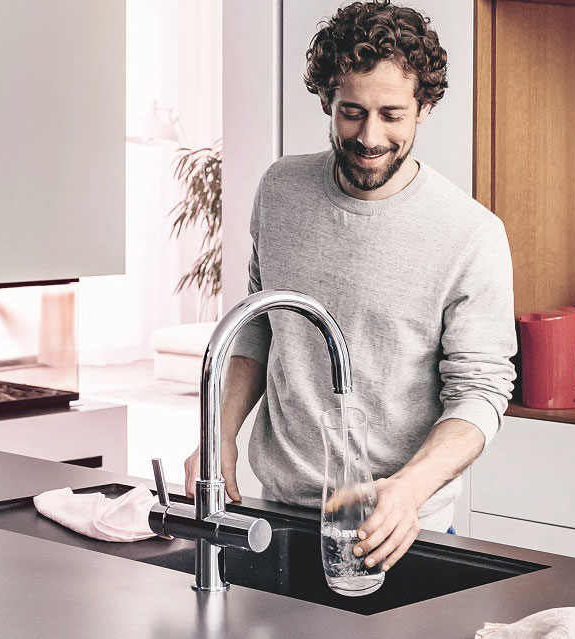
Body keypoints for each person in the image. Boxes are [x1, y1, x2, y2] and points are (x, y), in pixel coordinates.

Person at [184, 0, 515, 573]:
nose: (370, 136)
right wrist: (220, 437)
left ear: (425, 107)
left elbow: (481, 392)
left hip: (398, 528)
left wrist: (410, 489)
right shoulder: (282, 189)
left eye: (392, 114)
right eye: (351, 112)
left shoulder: (470, 234)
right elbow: (260, 327)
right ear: (326, 101)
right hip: (274, 510)